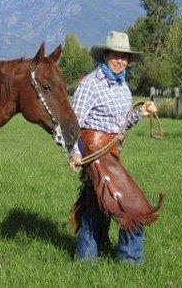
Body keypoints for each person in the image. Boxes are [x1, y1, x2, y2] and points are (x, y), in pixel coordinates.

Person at [68, 31, 161, 265]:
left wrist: (139, 113)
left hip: (112, 153)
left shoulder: (122, 87)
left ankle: (86, 260)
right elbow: (71, 124)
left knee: (96, 205)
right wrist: (74, 153)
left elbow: (120, 126)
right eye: (115, 55)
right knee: (133, 207)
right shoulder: (90, 85)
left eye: (124, 56)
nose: (120, 60)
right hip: (94, 154)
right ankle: (131, 262)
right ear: (105, 56)